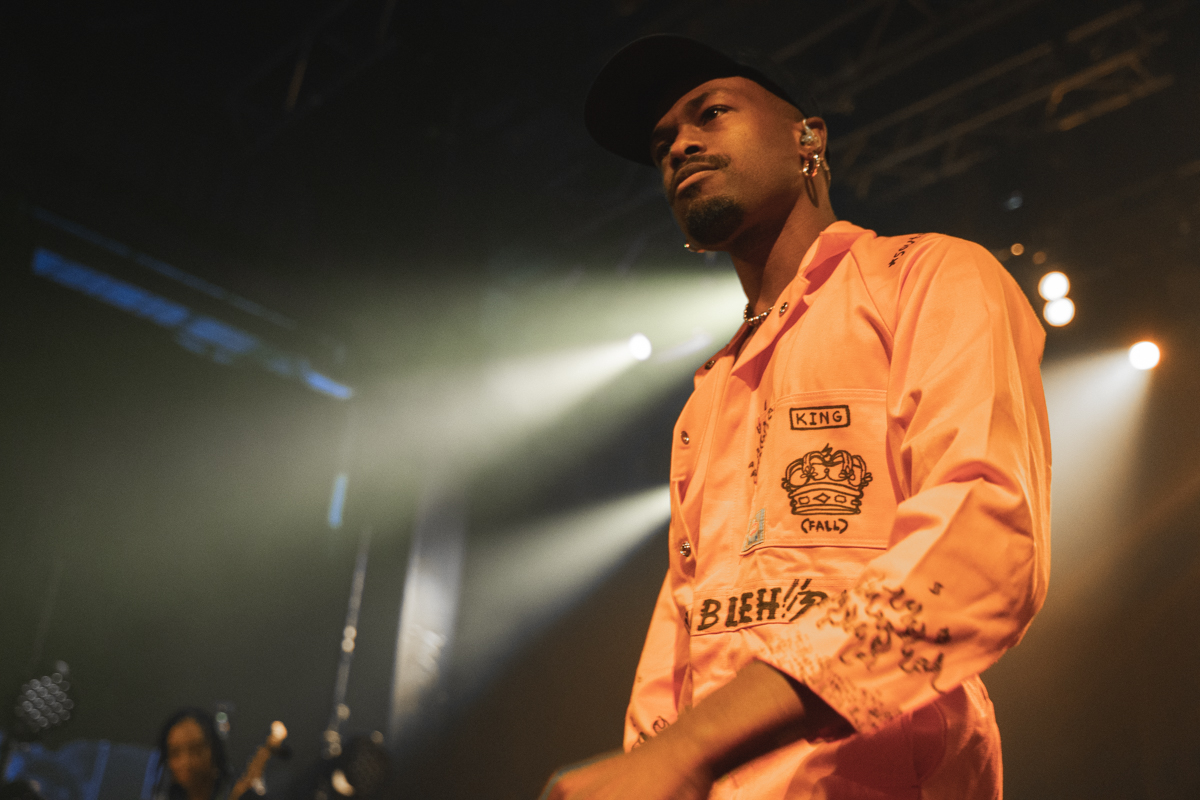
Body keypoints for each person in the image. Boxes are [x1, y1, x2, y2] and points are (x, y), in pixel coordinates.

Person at [545, 35, 1052, 799]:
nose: (680, 145)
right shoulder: (709, 390)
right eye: (661, 144)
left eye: (710, 113)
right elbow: (686, 629)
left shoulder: (929, 277)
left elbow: (981, 542)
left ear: (807, 137)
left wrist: (690, 750)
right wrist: (655, 755)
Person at [155, 708, 230, 800]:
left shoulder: (234, 794)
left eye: (195, 750)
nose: (185, 761)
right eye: (175, 753)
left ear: (215, 751)